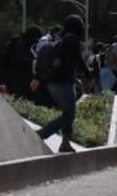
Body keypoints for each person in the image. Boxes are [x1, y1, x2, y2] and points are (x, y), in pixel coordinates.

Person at [32, 15, 87, 153]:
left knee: (68, 112)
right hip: (61, 83)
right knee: (69, 114)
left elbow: (65, 64)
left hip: (53, 82)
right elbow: (78, 61)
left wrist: (75, 80)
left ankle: (65, 143)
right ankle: (43, 133)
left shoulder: (60, 40)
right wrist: (89, 76)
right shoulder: (72, 40)